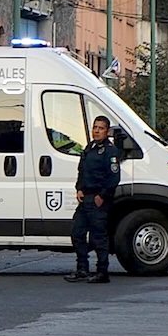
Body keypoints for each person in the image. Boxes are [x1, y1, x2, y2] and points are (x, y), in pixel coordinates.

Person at [64, 116, 121, 284]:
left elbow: (113, 177)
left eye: (101, 128)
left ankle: (102, 272)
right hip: (85, 198)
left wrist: (102, 196)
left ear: (107, 131)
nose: (96, 131)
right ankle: (82, 268)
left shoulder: (110, 151)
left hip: (99, 200)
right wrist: (79, 188)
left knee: (98, 238)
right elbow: (82, 170)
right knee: (77, 233)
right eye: (95, 127)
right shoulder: (90, 148)